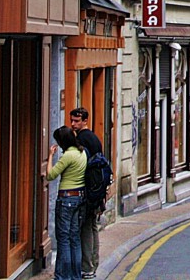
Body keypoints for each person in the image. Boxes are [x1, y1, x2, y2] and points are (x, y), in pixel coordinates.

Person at [47, 126, 86, 280]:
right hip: (79, 198)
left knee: (63, 238)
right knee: (74, 238)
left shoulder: (68, 156)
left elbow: (50, 175)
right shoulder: (81, 153)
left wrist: (50, 156)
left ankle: (63, 276)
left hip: (66, 199)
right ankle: (76, 276)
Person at [70, 107, 103, 280]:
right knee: (92, 226)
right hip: (97, 190)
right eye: (72, 121)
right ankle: (93, 264)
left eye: (77, 121)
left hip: (88, 190)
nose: (73, 124)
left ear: (85, 121)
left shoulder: (82, 140)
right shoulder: (94, 137)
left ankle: (87, 267)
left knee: (85, 229)